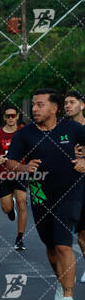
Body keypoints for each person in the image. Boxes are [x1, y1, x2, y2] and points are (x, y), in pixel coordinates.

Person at [6, 89, 85, 300]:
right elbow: (10, 161)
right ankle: (62, 284)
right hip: (41, 196)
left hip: (71, 193)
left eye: (40, 105)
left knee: (63, 246)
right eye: (33, 105)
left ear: (54, 108)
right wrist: (22, 168)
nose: (35, 109)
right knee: (51, 249)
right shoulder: (25, 135)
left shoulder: (73, 129)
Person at [0, 106, 28, 250]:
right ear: (4, 117)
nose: (10, 118)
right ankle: (10, 211)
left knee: (22, 203)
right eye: (8, 116)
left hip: (20, 173)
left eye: (13, 116)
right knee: (6, 207)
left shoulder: (23, 133)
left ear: (17, 117)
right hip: (4, 175)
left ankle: (20, 237)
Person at [64, 90, 85, 282]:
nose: (68, 105)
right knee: (81, 234)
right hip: (71, 184)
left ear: (82, 105)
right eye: (65, 103)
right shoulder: (62, 130)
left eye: (72, 102)